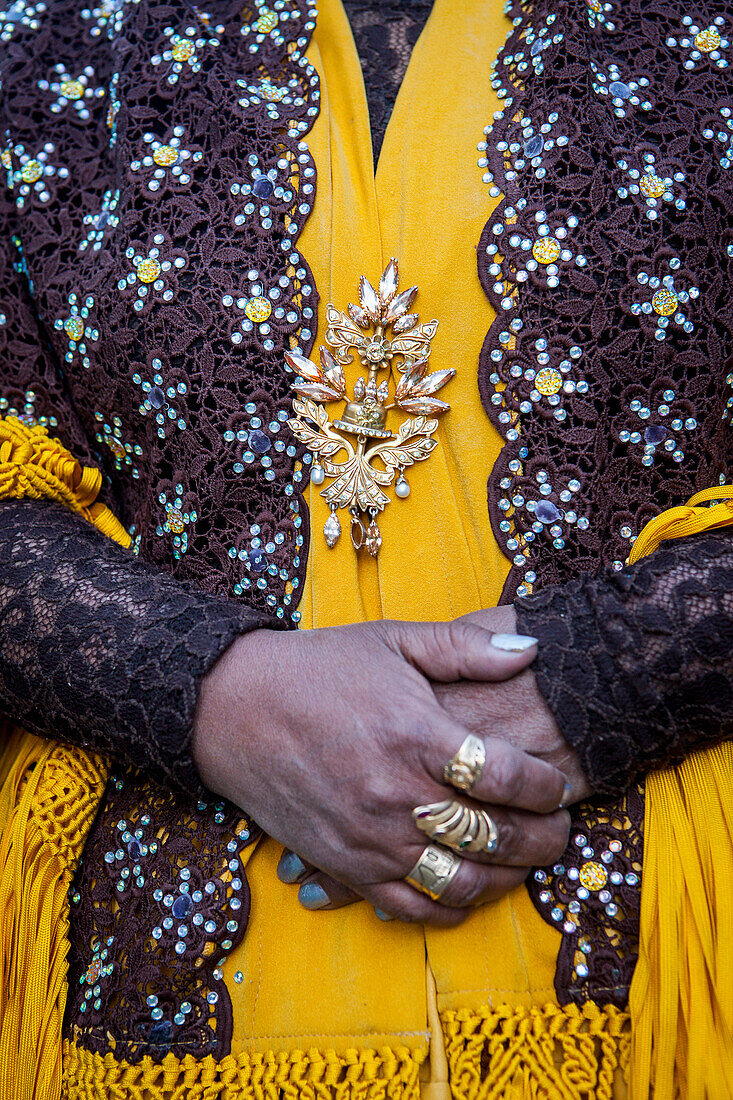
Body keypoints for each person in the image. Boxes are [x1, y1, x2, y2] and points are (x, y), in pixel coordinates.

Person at [0, 0, 731, 1096]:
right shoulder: (43, 48)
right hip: (166, 1007)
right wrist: (211, 690)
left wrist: (611, 671)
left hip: (678, 992)